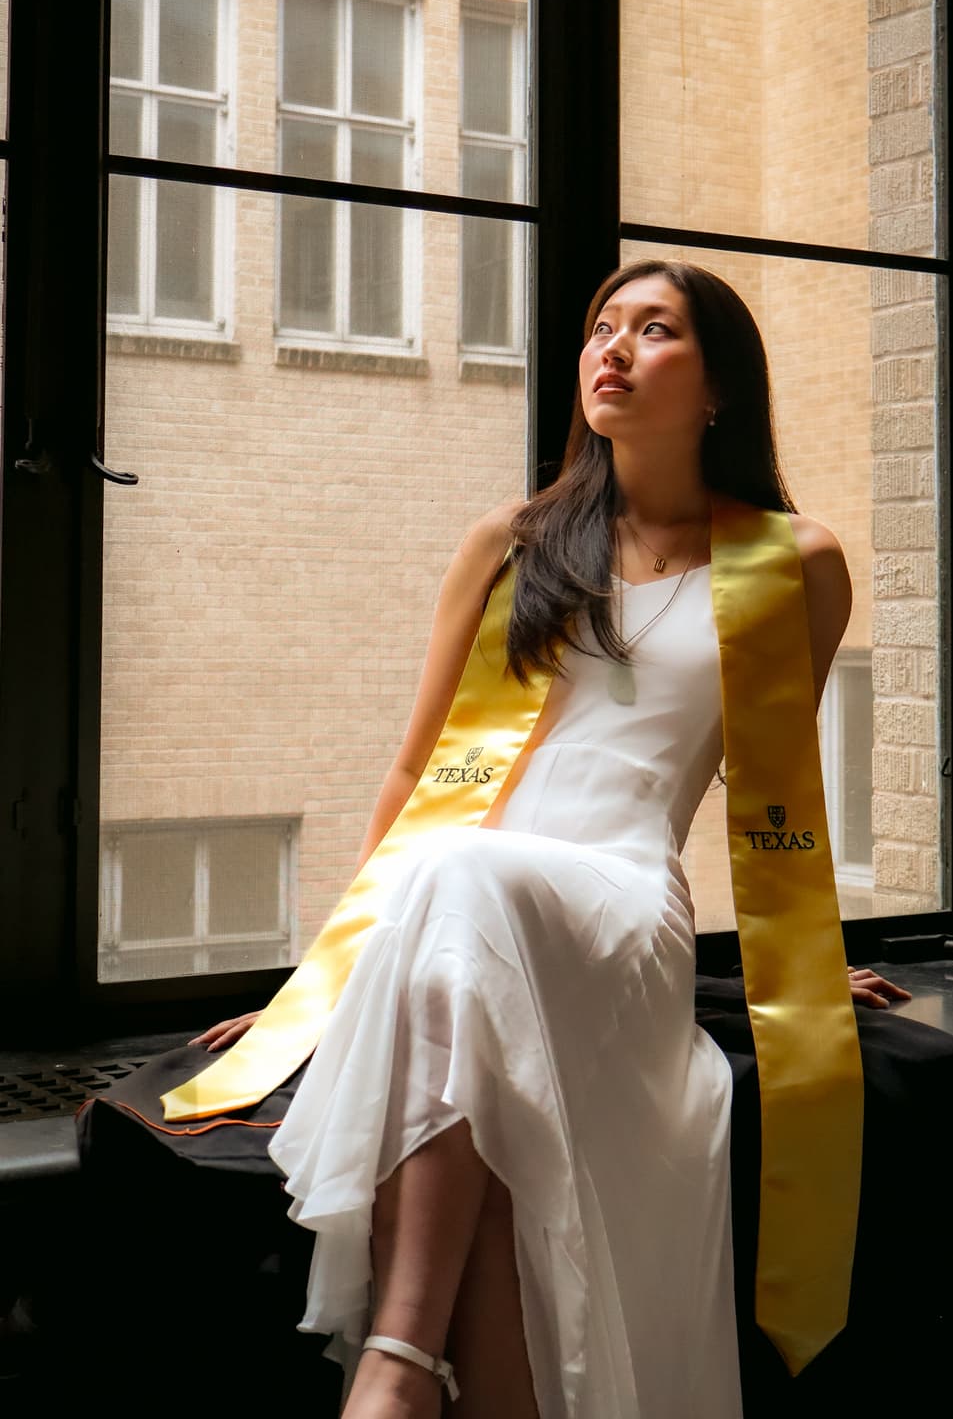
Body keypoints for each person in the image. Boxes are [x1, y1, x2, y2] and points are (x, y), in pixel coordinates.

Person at [148, 259, 908, 1419]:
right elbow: (417, 771)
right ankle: (422, 1380)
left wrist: (797, 978)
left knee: (462, 893)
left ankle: (393, 1366)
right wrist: (345, 971)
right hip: (466, 907)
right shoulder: (513, 544)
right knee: (480, 1060)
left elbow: (772, 805)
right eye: (603, 327)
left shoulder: (792, 563)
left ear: (718, 388)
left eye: (654, 331)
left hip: (621, 904)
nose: (612, 348)